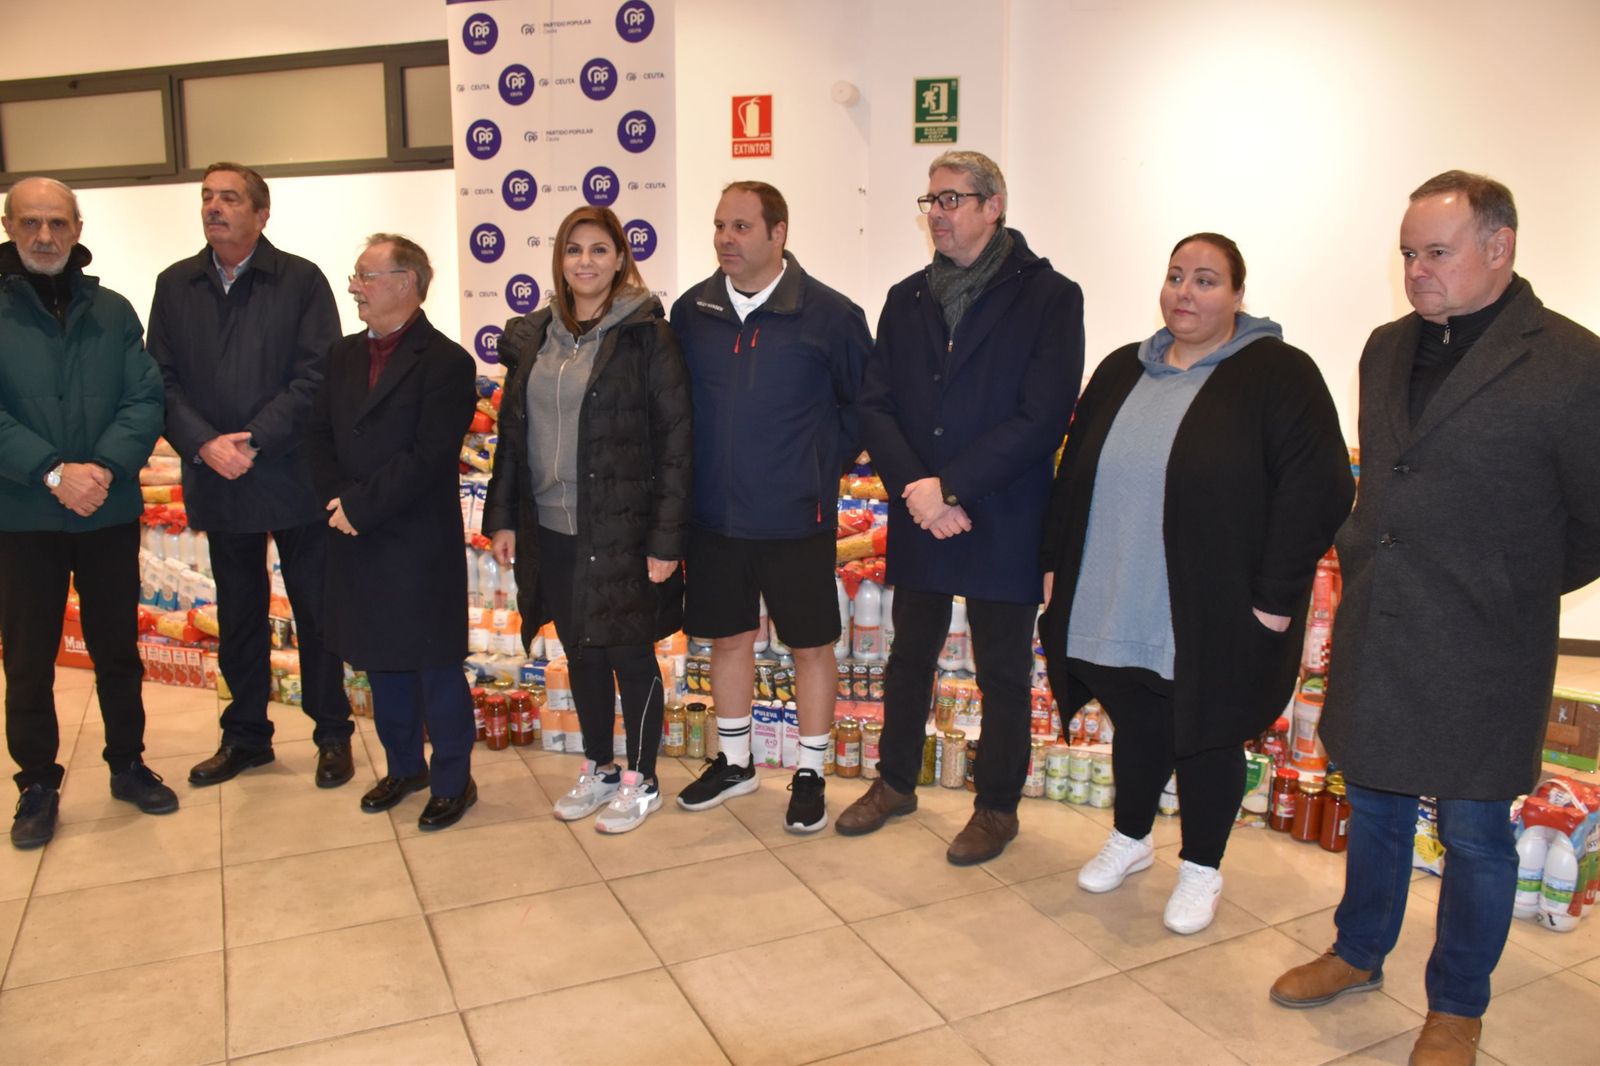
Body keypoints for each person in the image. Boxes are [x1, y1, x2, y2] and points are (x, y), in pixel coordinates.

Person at [1270, 172, 1600, 1065]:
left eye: (1437, 253)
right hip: (1384, 621)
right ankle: (1357, 951)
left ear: (1501, 247)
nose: (1417, 271)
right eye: (1409, 253)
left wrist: (1506, 582)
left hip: (1487, 639)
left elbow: (1594, 519)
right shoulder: (1384, 347)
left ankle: (1457, 1005)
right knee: (1372, 805)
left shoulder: (1570, 362)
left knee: (1475, 833)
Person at [1038, 233, 1353, 933]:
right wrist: (1056, 563)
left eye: (1206, 281)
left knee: (1207, 730)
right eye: (1176, 276)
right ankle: (1132, 836)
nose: (1186, 292)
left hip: (1212, 601)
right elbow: (1072, 474)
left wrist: (1274, 599)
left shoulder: (1278, 374)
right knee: (1136, 713)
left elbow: (1320, 488)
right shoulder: (1124, 368)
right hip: (1118, 587)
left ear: (1239, 295)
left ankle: (1203, 869)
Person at [838, 150, 1084, 865]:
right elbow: (875, 404)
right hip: (921, 510)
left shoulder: (1050, 297)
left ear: (992, 205)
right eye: (931, 201)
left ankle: (997, 807)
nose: (939, 214)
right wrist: (919, 488)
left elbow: (1043, 417)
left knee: (1002, 671)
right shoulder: (906, 297)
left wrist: (949, 487)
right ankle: (894, 782)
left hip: (1002, 512)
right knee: (907, 658)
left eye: (952, 200)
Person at [669, 181, 869, 833]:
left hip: (795, 518)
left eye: (742, 227)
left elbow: (861, 406)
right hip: (715, 517)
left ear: (778, 234)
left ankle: (809, 770)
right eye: (720, 225)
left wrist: (817, 467)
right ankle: (735, 762)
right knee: (728, 638)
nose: (727, 238)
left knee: (811, 646)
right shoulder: (691, 311)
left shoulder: (830, 315)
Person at [484, 206, 691, 834]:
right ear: (559, 260)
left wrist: (665, 538)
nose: (586, 263)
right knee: (581, 652)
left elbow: (677, 441)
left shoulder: (647, 335)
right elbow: (511, 437)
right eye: (574, 250)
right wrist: (503, 518)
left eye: (600, 250)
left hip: (622, 527)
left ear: (621, 259)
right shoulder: (535, 337)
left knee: (630, 654)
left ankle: (643, 778)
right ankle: (600, 767)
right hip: (551, 526)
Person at [147, 162, 355, 789]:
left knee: (318, 612)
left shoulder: (301, 281)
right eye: (208, 197)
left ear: (261, 214)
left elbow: (317, 375)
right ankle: (244, 737)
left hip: (293, 475)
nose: (215, 207)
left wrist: (253, 439)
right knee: (238, 613)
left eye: (230, 198)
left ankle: (332, 734)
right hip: (216, 477)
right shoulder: (175, 284)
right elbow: (158, 378)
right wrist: (204, 443)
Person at [1, 177, 176, 848]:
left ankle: (127, 764)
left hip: (105, 510)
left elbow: (145, 399)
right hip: (22, 515)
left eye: (57, 223)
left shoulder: (114, 309)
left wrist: (101, 468)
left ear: (77, 228)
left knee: (116, 650)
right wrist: (51, 470)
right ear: (11, 227)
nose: (44, 236)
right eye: (30, 223)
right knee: (27, 658)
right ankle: (37, 784)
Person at [304, 234, 479, 830]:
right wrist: (338, 501)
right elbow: (320, 436)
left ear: (405, 283)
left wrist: (361, 506)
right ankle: (406, 767)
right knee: (381, 662)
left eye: (365, 276)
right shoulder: (342, 356)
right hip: (353, 530)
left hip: (413, 538)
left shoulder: (448, 362)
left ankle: (454, 779)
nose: (353, 286)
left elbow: (427, 457)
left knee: (433, 665)